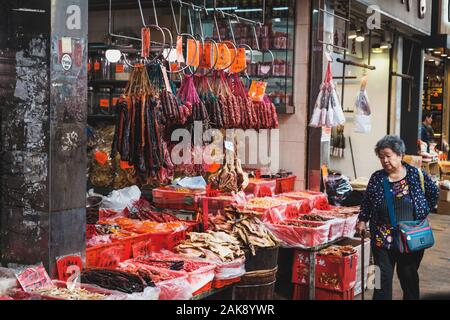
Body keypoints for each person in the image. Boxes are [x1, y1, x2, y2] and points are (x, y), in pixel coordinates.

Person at [356, 135, 439, 300]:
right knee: (379, 281)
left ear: (400, 155)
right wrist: (362, 219)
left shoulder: (416, 175)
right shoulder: (377, 178)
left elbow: (433, 193)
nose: (385, 160)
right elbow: (367, 201)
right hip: (381, 238)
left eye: (388, 155)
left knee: (409, 279)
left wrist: (423, 213)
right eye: (381, 157)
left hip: (410, 238)